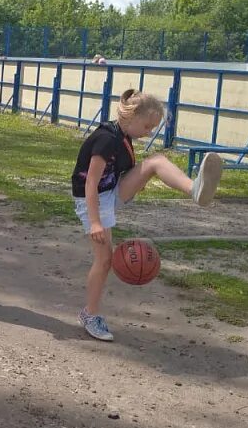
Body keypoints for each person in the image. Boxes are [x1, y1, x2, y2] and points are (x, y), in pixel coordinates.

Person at [71, 88, 223, 342]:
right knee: (105, 260)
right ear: (131, 117)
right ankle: (90, 314)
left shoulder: (123, 135)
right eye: (147, 126)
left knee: (156, 161)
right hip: (93, 201)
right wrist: (95, 221)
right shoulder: (107, 139)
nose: (149, 132)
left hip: (111, 191)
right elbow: (90, 183)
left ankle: (195, 189)